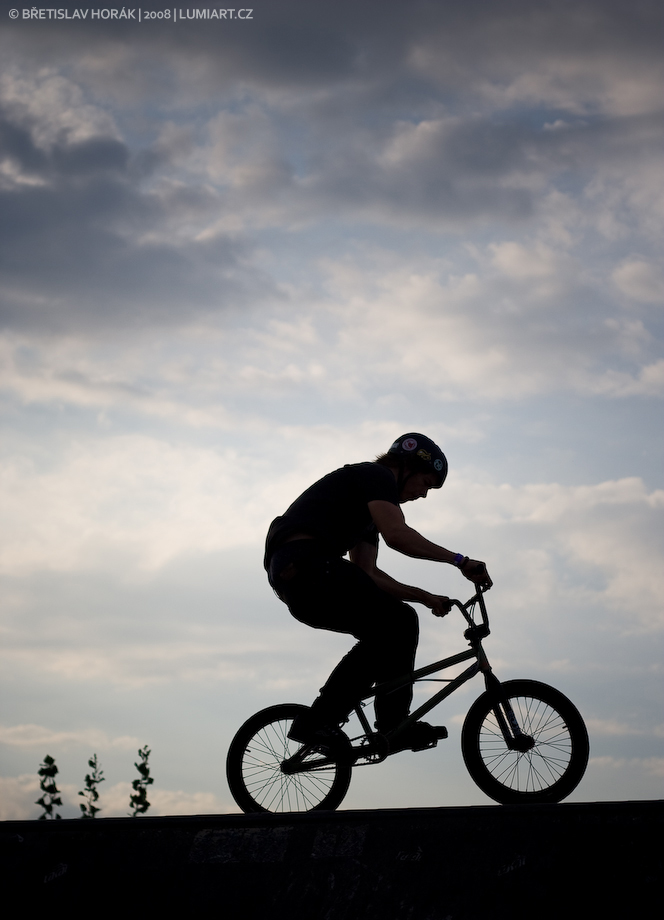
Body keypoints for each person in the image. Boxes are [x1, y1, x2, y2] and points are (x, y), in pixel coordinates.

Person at [264, 433, 492, 755]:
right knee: (399, 622)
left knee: (394, 626)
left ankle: (370, 722)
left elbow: (367, 573)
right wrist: (460, 561)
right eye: (426, 483)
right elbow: (397, 535)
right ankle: (354, 721)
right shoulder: (376, 476)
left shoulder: (366, 515)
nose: (423, 494)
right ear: (407, 467)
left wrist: (423, 596)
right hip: (308, 565)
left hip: (301, 579)